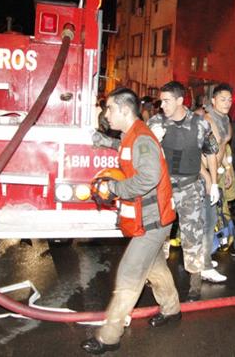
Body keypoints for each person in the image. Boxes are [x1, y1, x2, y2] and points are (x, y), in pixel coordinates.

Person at [81, 88, 180, 355]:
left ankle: (109, 337)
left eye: (110, 108)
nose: (106, 114)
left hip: (153, 221)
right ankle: (172, 310)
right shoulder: (132, 135)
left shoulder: (142, 139)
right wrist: (104, 141)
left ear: (125, 110)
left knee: (129, 274)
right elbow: (125, 147)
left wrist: (115, 189)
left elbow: (149, 177)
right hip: (152, 219)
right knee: (154, 267)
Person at [147, 81, 220, 301]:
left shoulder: (200, 125)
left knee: (193, 237)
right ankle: (159, 282)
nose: (162, 105)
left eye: (166, 101)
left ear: (180, 101)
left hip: (190, 188)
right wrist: (153, 140)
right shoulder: (155, 122)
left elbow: (211, 152)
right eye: (161, 101)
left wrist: (214, 182)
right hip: (163, 188)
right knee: (160, 236)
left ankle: (195, 285)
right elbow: (142, 155)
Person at [200, 83, 234, 284]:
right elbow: (201, 153)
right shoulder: (207, 120)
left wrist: (226, 169)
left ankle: (201, 258)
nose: (227, 103)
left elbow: (222, 147)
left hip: (216, 174)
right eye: (223, 99)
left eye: (229, 100)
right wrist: (208, 179)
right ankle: (203, 266)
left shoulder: (224, 120)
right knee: (207, 221)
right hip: (203, 176)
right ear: (213, 101)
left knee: (208, 221)